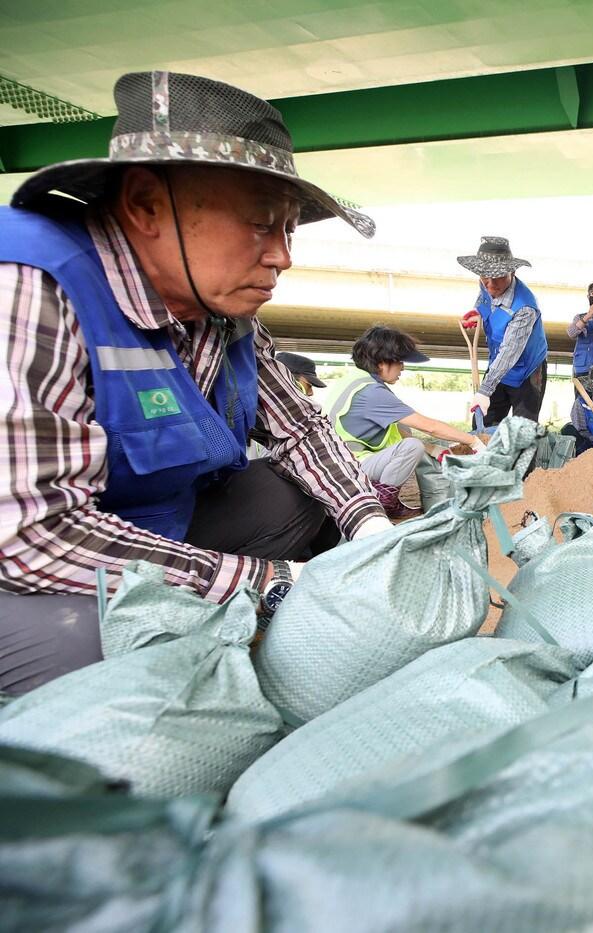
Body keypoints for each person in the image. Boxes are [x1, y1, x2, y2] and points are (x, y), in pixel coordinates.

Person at [0, 71, 393, 694]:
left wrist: (372, 526)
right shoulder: (31, 283)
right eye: (263, 222)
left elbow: (300, 429)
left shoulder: (222, 311)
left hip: (148, 531)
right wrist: (262, 586)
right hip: (31, 568)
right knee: (110, 644)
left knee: (291, 497)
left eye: (289, 229)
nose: (283, 256)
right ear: (146, 204)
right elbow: (29, 533)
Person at [328, 324, 485, 516]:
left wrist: (433, 449)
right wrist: (473, 441)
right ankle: (383, 501)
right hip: (348, 468)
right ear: (381, 363)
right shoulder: (372, 393)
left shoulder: (356, 381)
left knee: (402, 423)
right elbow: (431, 427)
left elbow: (396, 431)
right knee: (412, 447)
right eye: (398, 361)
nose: (402, 367)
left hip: (338, 461)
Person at [457, 236, 549, 426]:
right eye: (484, 277)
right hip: (497, 362)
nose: (490, 285)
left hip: (526, 370)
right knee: (482, 423)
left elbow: (509, 352)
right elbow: (486, 300)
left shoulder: (525, 308)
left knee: (521, 433)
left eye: (497, 277)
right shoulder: (486, 284)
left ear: (512, 271)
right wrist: (480, 314)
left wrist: (484, 390)